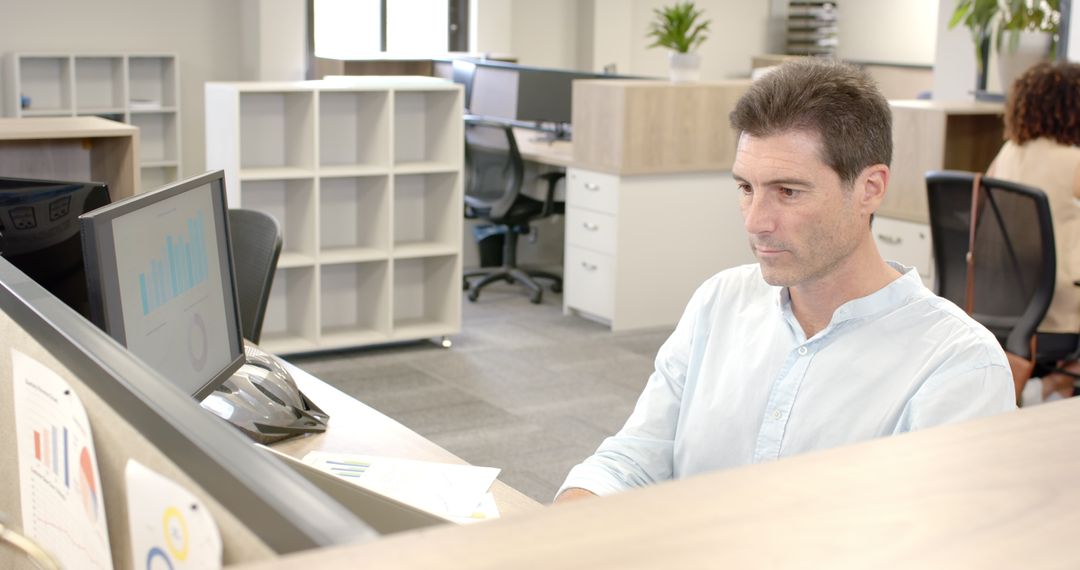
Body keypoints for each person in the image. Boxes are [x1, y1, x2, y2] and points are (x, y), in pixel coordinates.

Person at [554, 59, 1016, 503]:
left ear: (870, 188)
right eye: (745, 188)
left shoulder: (958, 366)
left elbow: (940, 546)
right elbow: (632, 462)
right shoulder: (721, 301)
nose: (756, 222)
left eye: (788, 192)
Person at [986, 61, 1080, 404]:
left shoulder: (1006, 153)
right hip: (1055, 308)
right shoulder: (1073, 161)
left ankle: (1055, 387)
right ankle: (1058, 383)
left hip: (1004, 299)